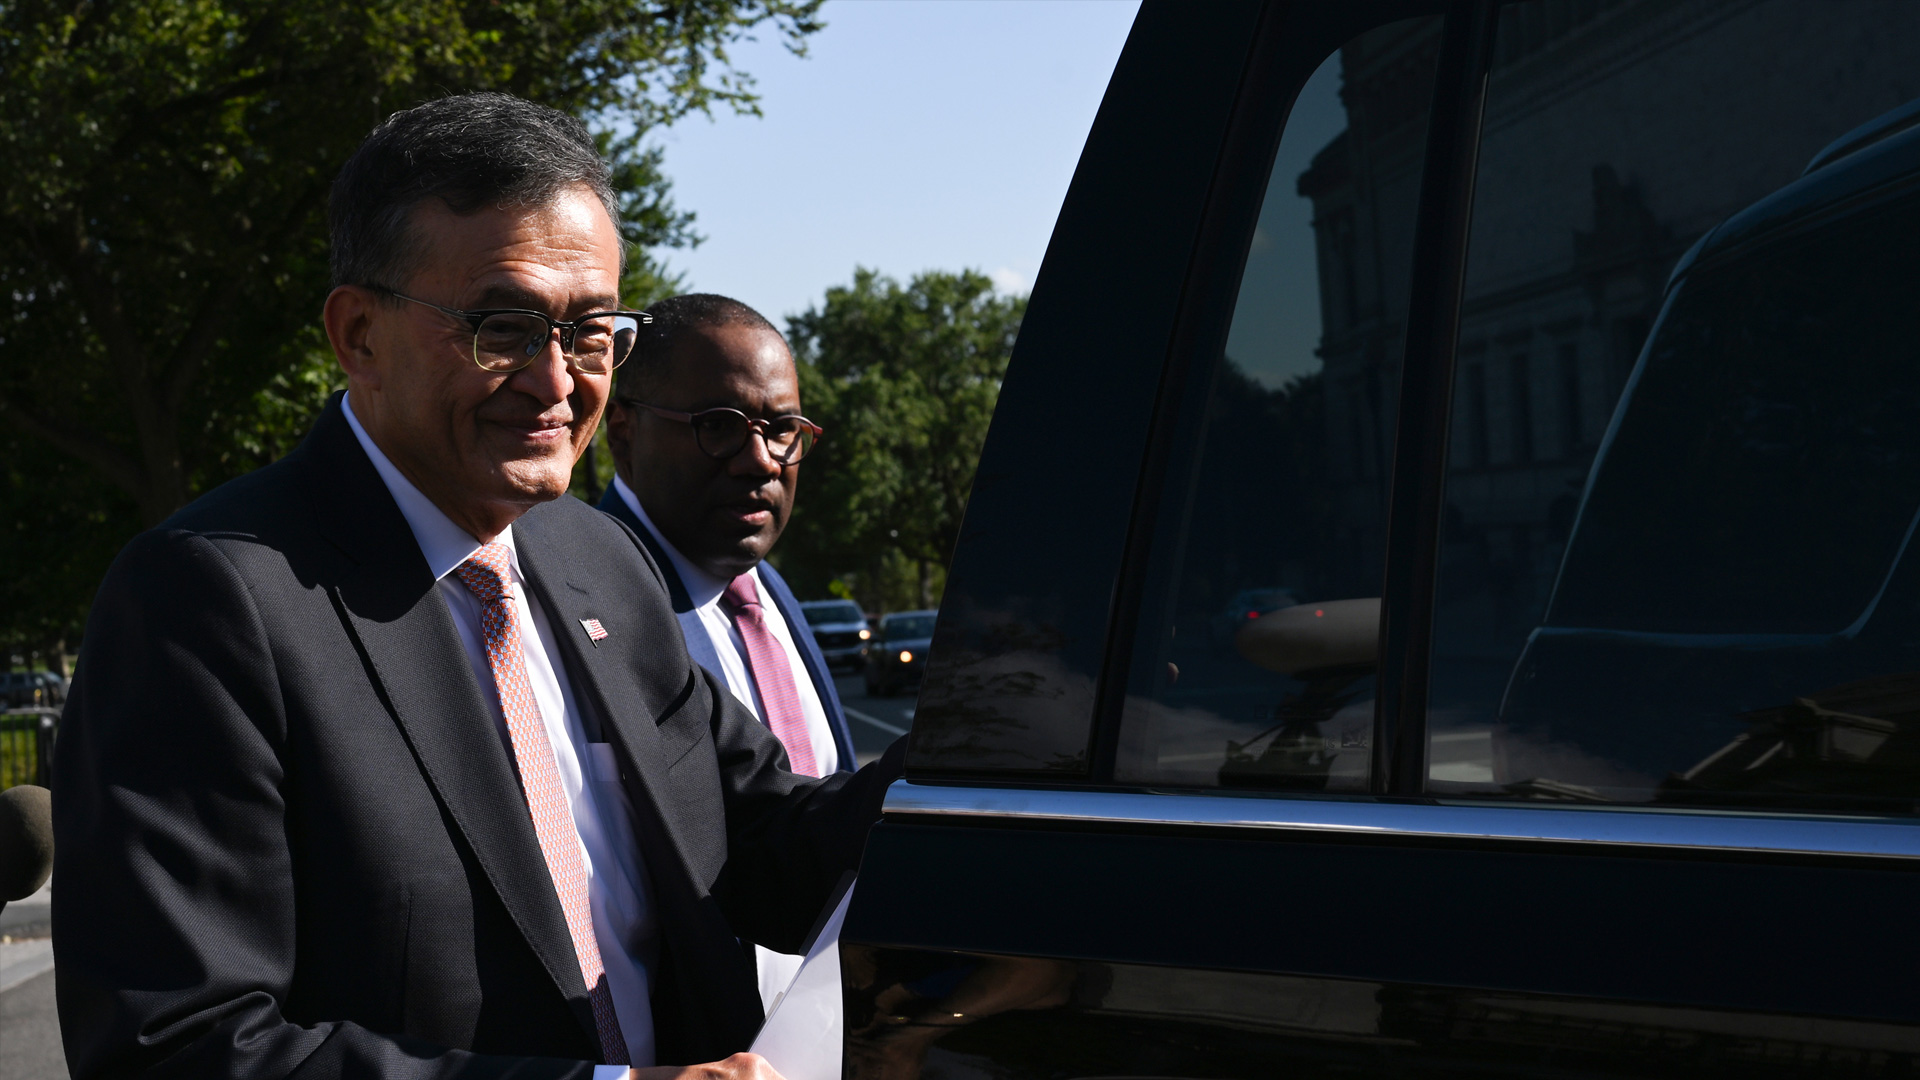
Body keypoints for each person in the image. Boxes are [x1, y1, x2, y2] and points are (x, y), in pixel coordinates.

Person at [50, 92, 903, 1080]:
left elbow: (759, 850)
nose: (556, 383)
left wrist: (1001, 744)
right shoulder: (205, 606)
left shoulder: (603, 561)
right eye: (502, 327)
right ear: (359, 335)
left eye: (591, 332)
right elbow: (175, 1045)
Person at [596, 294, 857, 1010]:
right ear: (624, 428)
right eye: (719, 427)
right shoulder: (580, 606)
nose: (759, 461)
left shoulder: (770, 591)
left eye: (782, 430)